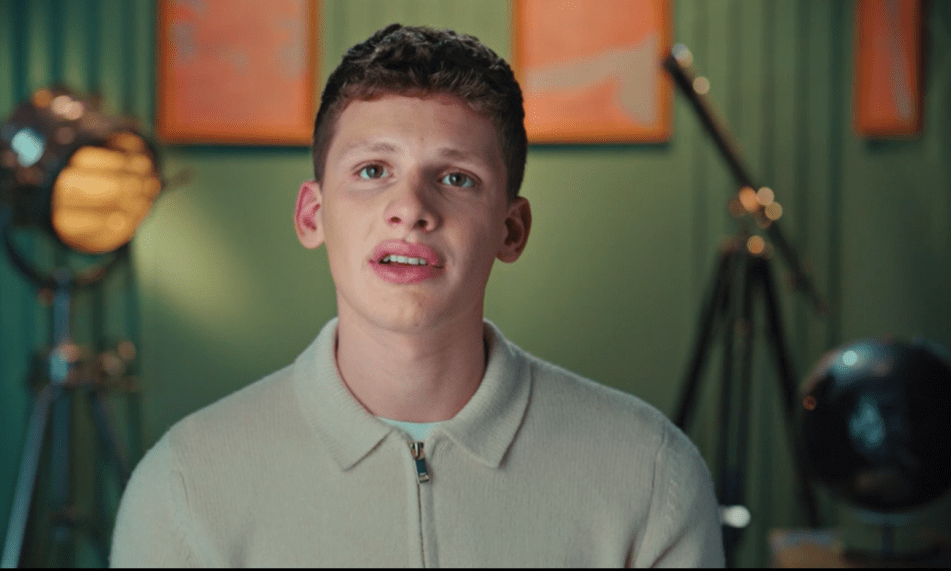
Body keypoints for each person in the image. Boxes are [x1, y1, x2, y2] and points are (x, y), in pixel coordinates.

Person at [110, 24, 724, 567]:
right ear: (312, 214)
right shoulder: (183, 485)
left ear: (511, 230)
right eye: (373, 170)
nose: (409, 209)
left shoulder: (652, 475)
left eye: (456, 178)